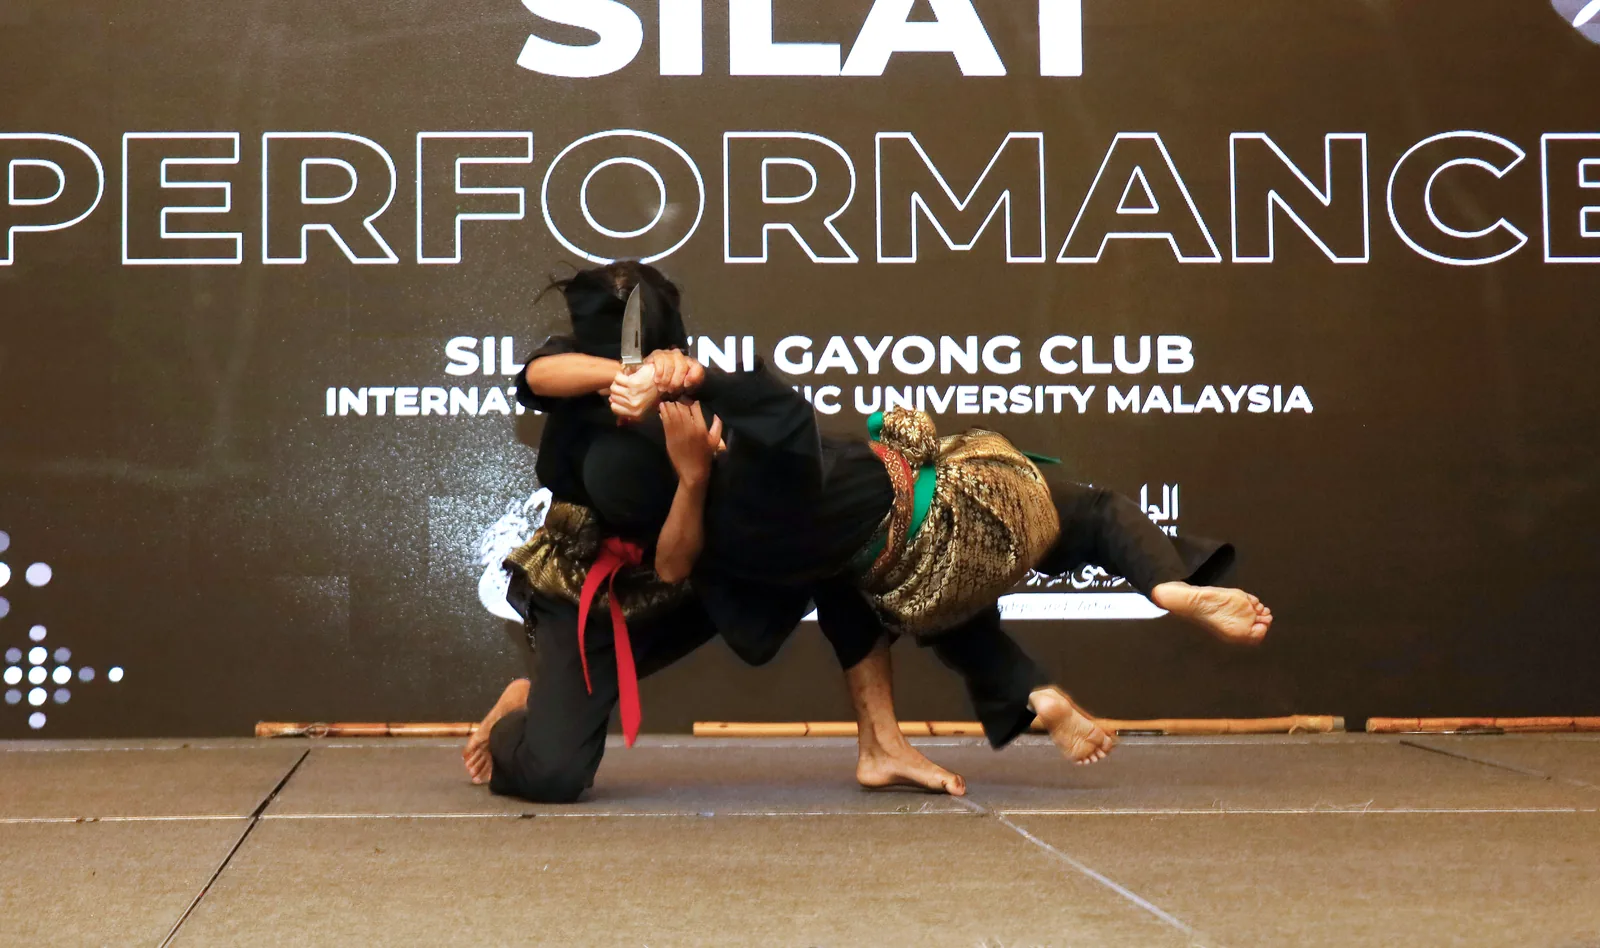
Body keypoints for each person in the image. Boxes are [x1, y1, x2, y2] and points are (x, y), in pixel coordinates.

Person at [462, 263, 964, 801]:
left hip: (685, 568)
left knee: (827, 521)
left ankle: (881, 743)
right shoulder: (577, 378)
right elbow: (538, 374)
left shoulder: (692, 390)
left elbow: (678, 560)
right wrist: (625, 375)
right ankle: (527, 707)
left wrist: (694, 470)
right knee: (552, 775)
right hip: (591, 592)